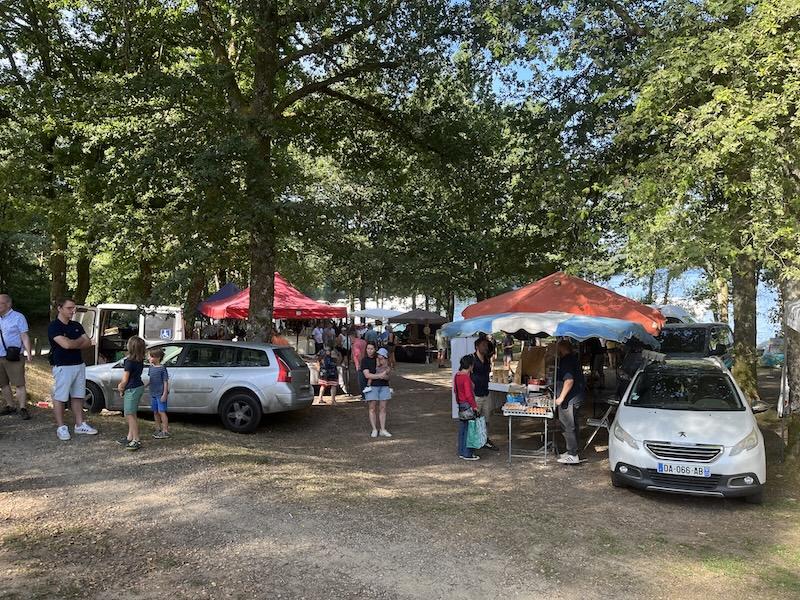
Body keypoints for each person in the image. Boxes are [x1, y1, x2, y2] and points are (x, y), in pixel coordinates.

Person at [48, 297, 98, 441]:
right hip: (63, 366)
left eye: (73, 308)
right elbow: (66, 345)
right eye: (69, 308)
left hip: (78, 364)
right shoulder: (54, 327)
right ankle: (61, 426)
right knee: (60, 396)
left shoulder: (76, 325)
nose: (72, 311)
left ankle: (79, 423)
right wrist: (77, 342)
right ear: (60, 308)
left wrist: (73, 343)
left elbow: (88, 342)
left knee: (78, 395)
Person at [0, 294, 33, 419]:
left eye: (0, 303)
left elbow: (24, 336)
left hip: (14, 356)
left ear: (8, 304)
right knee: (3, 383)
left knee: (19, 383)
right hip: (0, 355)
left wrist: (29, 353)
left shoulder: (18, 317)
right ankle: (10, 406)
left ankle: (22, 408)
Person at [554, 339, 586, 464]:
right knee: (574, 425)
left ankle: (572, 454)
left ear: (561, 348)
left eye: (557, 348)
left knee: (568, 426)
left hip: (570, 398)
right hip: (577, 396)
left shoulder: (566, 360)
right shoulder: (573, 358)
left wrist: (561, 397)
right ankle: (573, 451)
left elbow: (569, 380)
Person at [116, 336, 146, 451]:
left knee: (129, 414)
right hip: (138, 387)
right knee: (132, 413)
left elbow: (125, 379)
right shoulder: (139, 361)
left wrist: (120, 387)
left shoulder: (129, 362)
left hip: (131, 389)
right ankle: (130, 436)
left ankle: (136, 440)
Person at [471, 338, 499, 451]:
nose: (485, 347)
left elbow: (492, 350)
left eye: (486, 345)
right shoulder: (471, 359)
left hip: (486, 393)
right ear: (477, 346)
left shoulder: (487, 359)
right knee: (474, 420)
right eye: (483, 345)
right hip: (475, 395)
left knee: (486, 419)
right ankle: (473, 442)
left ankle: (485, 439)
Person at [361, 344, 392, 437]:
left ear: (375, 350)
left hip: (384, 386)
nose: (369, 351)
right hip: (373, 386)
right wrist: (379, 376)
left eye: (372, 349)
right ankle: (374, 429)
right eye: (368, 349)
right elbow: (367, 375)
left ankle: (382, 429)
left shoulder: (382, 360)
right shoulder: (365, 360)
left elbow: (388, 375)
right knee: (372, 408)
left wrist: (385, 375)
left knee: (383, 408)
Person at [454, 354, 479, 461]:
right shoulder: (465, 378)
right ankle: (468, 453)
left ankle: (461, 451)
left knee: (462, 429)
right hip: (468, 405)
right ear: (470, 365)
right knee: (470, 431)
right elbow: (469, 394)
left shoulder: (457, 375)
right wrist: (475, 406)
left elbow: (455, 390)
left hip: (461, 404)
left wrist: (459, 402)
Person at [148, 347, 170, 439]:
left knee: (162, 412)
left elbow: (165, 381)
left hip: (160, 394)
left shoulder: (162, 368)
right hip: (153, 393)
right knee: (155, 412)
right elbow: (151, 380)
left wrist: (164, 394)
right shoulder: (151, 368)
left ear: (157, 357)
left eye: (150, 356)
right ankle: (158, 428)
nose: (149, 358)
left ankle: (165, 431)